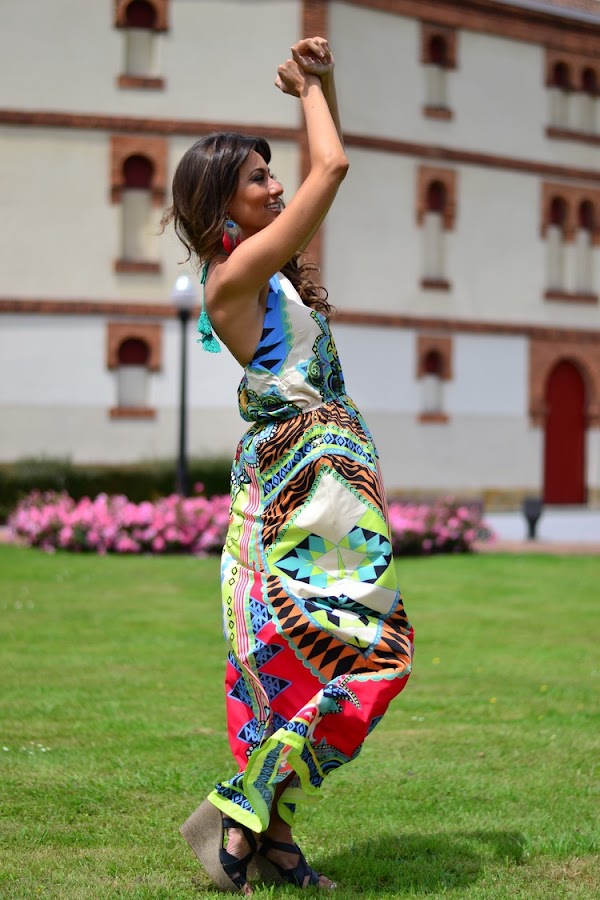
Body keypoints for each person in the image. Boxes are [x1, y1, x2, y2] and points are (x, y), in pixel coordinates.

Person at [162, 37, 414, 894]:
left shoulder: (262, 273)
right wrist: (309, 86)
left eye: (275, 176)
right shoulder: (236, 276)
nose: (277, 187)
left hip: (311, 473)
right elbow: (332, 167)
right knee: (375, 655)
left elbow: (322, 167)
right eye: (258, 179)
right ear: (220, 207)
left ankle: (268, 838)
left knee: (290, 659)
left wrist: (323, 85)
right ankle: (244, 813)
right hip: (307, 479)